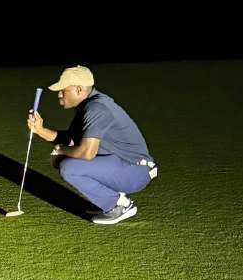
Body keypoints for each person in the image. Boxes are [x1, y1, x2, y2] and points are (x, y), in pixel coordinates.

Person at [27, 65, 157, 224]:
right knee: (65, 160)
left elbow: (87, 152)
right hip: (124, 166)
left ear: (79, 90)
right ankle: (113, 199)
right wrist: (40, 130)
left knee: (69, 167)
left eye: (63, 90)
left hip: (135, 171)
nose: (59, 95)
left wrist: (61, 150)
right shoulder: (88, 105)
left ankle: (119, 205)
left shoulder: (97, 108)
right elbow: (71, 140)